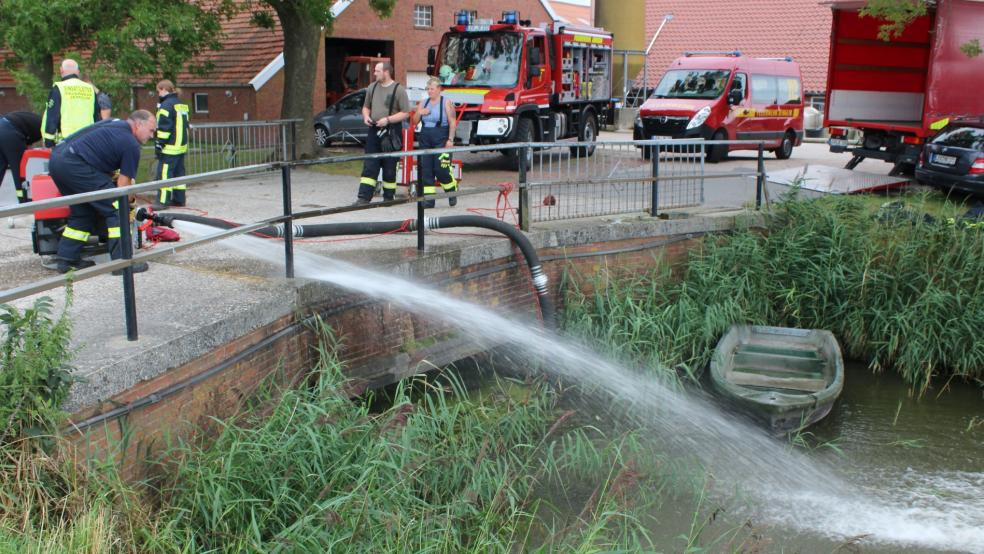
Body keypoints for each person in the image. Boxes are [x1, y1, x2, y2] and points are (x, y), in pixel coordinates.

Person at [51, 110, 156, 274]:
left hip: (58, 161)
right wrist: (130, 204)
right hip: (76, 164)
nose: (152, 135)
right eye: (151, 130)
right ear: (138, 124)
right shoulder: (131, 144)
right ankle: (121, 264)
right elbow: (123, 186)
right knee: (117, 208)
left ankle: (67, 260)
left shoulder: (114, 123)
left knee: (83, 211)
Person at [355, 61, 410, 205]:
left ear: (386, 72)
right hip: (374, 130)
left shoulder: (399, 90)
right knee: (370, 164)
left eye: (377, 71)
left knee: (390, 166)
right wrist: (366, 116)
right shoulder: (372, 88)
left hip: (392, 131)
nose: (374, 73)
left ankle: (388, 198)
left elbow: (405, 112)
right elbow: (366, 107)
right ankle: (364, 197)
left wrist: (388, 119)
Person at [412, 77, 458, 208]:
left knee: (441, 168)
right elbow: (415, 122)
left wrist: (450, 139)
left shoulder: (446, 102)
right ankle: (429, 200)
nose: (429, 91)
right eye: (428, 89)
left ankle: (451, 191)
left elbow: (452, 122)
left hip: (441, 137)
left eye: (432, 89)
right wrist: (419, 112)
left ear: (439, 89)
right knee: (426, 169)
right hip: (425, 137)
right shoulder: (423, 102)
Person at [40, 59, 101, 147]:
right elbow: (96, 116)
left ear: (61, 70)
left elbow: (52, 116)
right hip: (88, 141)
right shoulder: (90, 89)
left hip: (66, 142)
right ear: (78, 72)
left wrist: (49, 141)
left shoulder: (59, 88)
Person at [152, 79, 191, 209]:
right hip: (180, 146)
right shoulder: (181, 104)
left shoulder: (166, 106)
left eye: (159, 91)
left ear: (164, 89)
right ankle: (179, 200)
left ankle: (162, 201)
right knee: (179, 173)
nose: (158, 94)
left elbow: (164, 128)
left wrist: (159, 144)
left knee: (164, 174)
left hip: (169, 147)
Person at [0, 111, 42, 203]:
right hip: (10, 133)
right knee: (20, 169)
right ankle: (23, 200)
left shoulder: (35, 119)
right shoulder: (46, 126)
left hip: (3, 126)